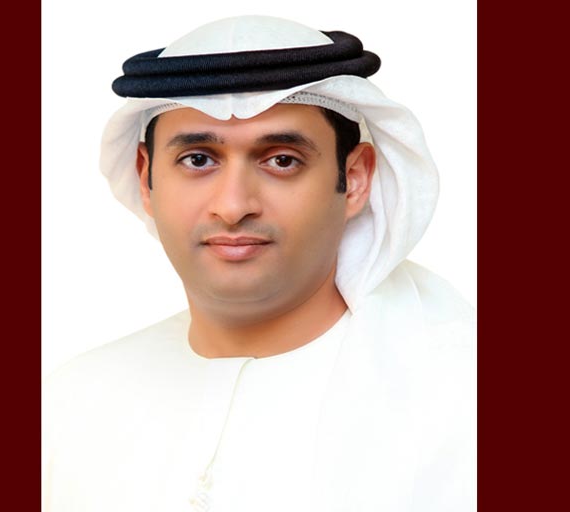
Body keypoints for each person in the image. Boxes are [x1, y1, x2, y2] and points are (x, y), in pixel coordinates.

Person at [43, 15, 476, 512]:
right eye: (198, 159)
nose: (233, 206)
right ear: (146, 179)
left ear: (354, 178)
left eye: (282, 160)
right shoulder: (69, 404)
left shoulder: (459, 404)